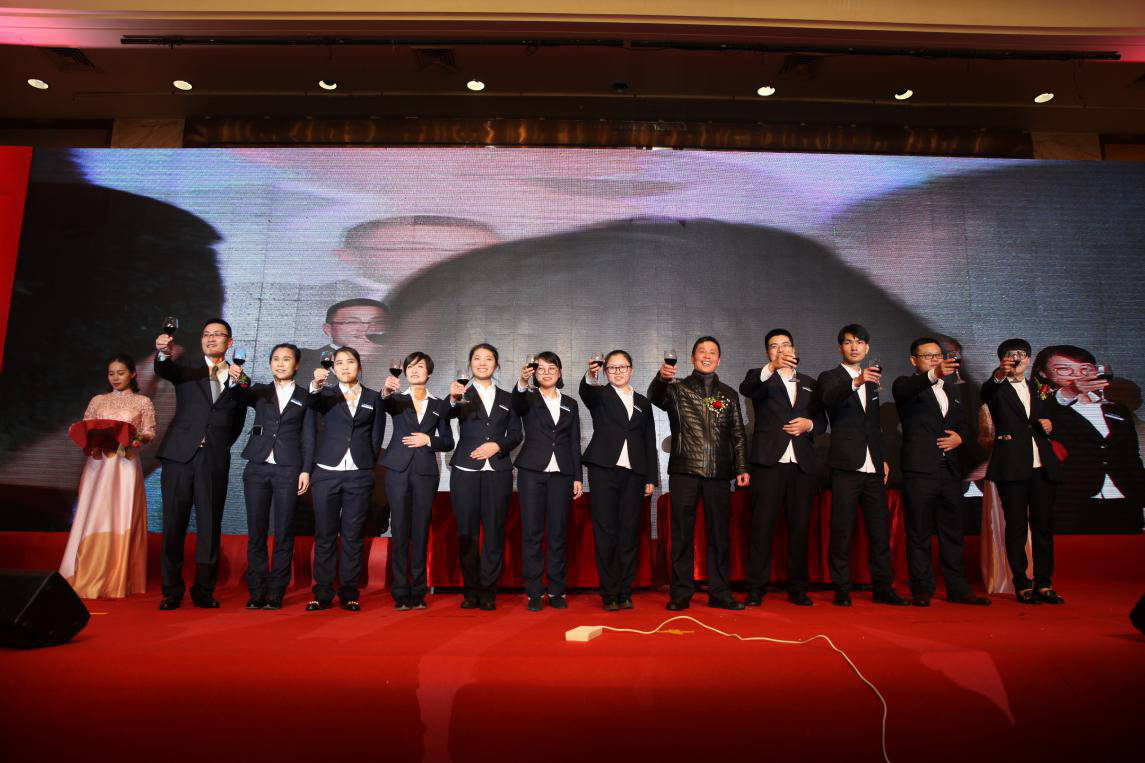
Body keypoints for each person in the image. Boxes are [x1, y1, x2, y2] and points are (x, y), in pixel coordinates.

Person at [649, 336, 750, 611]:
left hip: (719, 472)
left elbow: (738, 435)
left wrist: (741, 467)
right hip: (685, 470)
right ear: (693, 358)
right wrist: (661, 378)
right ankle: (680, 593)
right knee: (682, 534)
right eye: (702, 352)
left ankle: (721, 593)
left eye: (712, 352)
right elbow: (655, 396)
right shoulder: (677, 389)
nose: (707, 356)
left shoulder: (729, 394)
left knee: (719, 535)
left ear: (719, 359)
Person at [153, 319, 248, 610]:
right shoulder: (186, 367)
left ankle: (204, 590)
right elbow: (163, 369)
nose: (211, 339)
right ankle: (171, 591)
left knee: (209, 525)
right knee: (173, 524)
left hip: (213, 459)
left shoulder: (239, 378)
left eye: (217, 335)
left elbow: (237, 422)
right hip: (179, 456)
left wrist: (217, 445)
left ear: (229, 342)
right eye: (206, 334)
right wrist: (163, 352)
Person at [892, 338, 990, 607]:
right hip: (920, 470)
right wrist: (934, 373)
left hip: (950, 471)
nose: (935, 359)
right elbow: (907, 390)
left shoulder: (951, 390)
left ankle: (957, 588)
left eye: (938, 355)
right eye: (928, 356)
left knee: (952, 532)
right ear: (913, 360)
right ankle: (921, 588)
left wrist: (960, 437)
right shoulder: (905, 385)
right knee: (919, 532)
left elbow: (966, 425)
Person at [817, 324, 907, 607]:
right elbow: (828, 400)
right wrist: (856, 382)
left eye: (859, 342)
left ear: (867, 348)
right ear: (840, 347)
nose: (854, 347)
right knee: (842, 529)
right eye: (848, 342)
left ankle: (883, 586)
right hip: (846, 464)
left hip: (873, 465)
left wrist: (882, 459)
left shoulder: (872, 381)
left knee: (880, 530)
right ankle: (841, 588)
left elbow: (874, 425)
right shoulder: (831, 377)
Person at [738, 329, 826, 607]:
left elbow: (822, 421)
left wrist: (809, 425)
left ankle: (797, 587)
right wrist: (772, 367)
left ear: (794, 349)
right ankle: (756, 587)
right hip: (769, 462)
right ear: (768, 353)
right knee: (761, 527)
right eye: (774, 346)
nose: (781, 350)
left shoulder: (811, 383)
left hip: (802, 464)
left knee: (800, 528)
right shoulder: (761, 377)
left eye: (786, 345)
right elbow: (747, 388)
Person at [59, 354, 155, 599]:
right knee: (93, 512)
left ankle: (117, 578)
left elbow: (149, 432)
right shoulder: (98, 400)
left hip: (124, 465)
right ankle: (84, 571)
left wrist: (136, 438)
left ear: (133, 374)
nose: (115, 378)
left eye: (121, 373)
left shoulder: (142, 402)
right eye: (111, 373)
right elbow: (87, 427)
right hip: (98, 464)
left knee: (121, 513)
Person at [980, 339, 1064, 604]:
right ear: (1002, 359)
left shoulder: (1039, 388)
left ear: (1028, 359)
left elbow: (1055, 418)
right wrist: (999, 374)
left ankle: (1044, 583)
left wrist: (1051, 425)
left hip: (1042, 466)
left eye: (1022, 354)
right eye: (1010, 354)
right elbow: (986, 392)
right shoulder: (997, 388)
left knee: (1043, 527)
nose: (1017, 358)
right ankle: (1022, 583)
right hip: (1012, 466)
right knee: (1016, 526)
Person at [234, 343, 315, 610]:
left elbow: (308, 436)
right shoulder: (260, 391)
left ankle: (276, 591)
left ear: (296, 365)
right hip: (257, 466)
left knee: (284, 531)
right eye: (276, 359)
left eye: (286, 359)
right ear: (270, 363)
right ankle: (256, 589)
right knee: (256, 531)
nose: (280, 363)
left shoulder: (305, 396)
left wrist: (305, 470)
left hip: (288, 468)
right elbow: (241, 389)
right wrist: (239, 376)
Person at [306, 346, 386, 611]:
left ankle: (349, 591)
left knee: (352, 535)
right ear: (333, 368)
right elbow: (310, 405)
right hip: (326, 471)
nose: (344, 367)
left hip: (359, 473)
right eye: (339, 362)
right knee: (325, 534)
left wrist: (368, 463)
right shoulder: (324, 394)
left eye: (349, 362)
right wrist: (315, 386)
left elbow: (376, 435)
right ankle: (322, 592)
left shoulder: (373, 397)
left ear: (359, 367)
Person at [1033, 345, 1144, 533]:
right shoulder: (1039, 407)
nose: (1078, 375)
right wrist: (1071, 391)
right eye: (1064, 369)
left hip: (1124, 502)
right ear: (1043, 374)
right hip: (1069, 505)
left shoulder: (1117, 410)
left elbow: (1132, 459)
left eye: (1085, 369)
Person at [447, 343, 522, 611]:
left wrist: (498, 445)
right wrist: (451, 399)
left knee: (494, 531)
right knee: (466, 532)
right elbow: (445, 415)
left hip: (498, 471)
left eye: (488, 358)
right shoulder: (461, 394)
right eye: (477, 358)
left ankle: (489, 590)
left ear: (496, 365)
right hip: (465, 470)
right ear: (470, 365)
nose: (482, 362)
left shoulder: (508, 398)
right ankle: (470, 590)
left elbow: (517, 434)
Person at [580, 350, 657, 611]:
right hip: (604, 470)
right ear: (606, 372)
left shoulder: (643, 402)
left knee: (629, 532)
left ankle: (625, 590)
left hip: (634, 473)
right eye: (612, 368)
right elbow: (586, 390)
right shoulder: (600, 395)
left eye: (622, 367)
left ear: (631, 369)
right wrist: (590, 375)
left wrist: (651, 477)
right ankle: (609, 592)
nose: (618, 371)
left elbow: (648, 440)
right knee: (605, 531)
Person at [379, 352, 454, 610]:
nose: (414, 370)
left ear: (429, 373)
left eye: (420, 366)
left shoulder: (439, 405)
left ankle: (418, 591)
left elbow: (448, 441)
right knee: (399, 529)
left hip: (425, 472)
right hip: (397, 470)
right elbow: (383, 403)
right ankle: (400, 592)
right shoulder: (396, 399)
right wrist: (385, 391)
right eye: (410, 366)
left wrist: (428, 440)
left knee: (421, 530)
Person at [513, 352, 584, 611]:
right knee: (532, 533)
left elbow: (574, 442)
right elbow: (516, 403)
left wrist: (577, 476)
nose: (546, 372)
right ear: (534, 373)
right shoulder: (528, 398)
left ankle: (556, 589)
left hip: (562, 474)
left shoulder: (570, 403)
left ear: (560, 372)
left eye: (551, 368)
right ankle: (534, 591)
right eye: (540, 368)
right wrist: (522, 382)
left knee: (558, 533)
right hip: (532, 471)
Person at [299, 298, 390, 387]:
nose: (365, 329)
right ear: (328, 329)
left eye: (377, 322)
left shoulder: (393, 361)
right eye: (352, 322)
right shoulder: (303, 359)